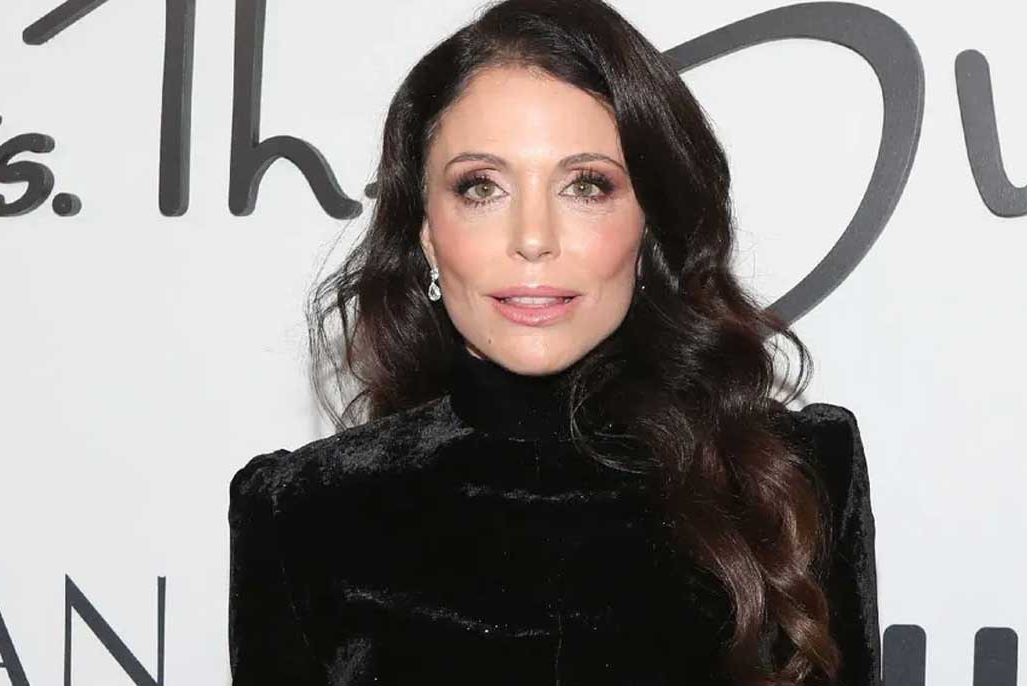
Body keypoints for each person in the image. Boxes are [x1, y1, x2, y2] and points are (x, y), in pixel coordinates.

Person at [227, 0, 880, 684]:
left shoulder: (791, 482)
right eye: (481, 187)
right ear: (426, 231)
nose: (533, 238)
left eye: (586, 185)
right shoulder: (304, 515)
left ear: (649, 225)